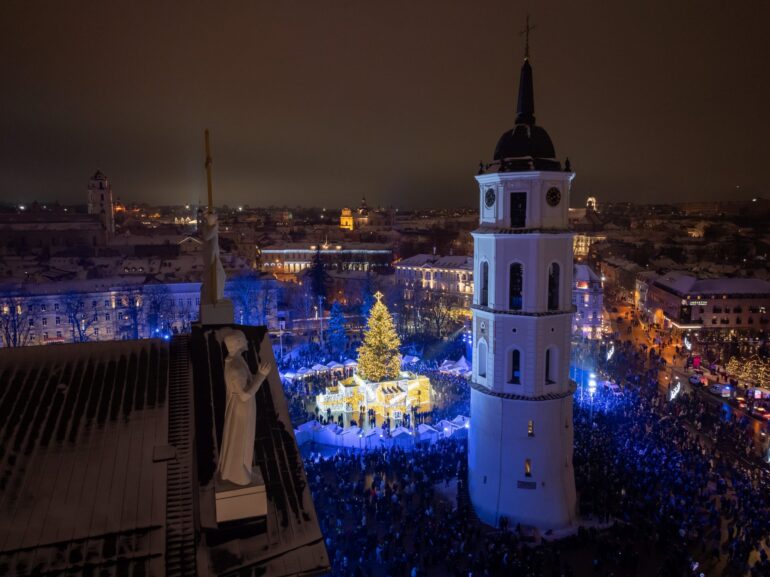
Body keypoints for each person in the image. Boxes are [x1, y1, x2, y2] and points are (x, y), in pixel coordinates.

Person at [218, 330, 272, 486]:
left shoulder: (236, 360)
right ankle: (238, 472)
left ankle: (241, 467)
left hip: (241, 407)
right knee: (241, 438)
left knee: (242, 437)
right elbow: (244, 395)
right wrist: (261, 376)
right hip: (241, 408)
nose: (247, 342)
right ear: (238, 344)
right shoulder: (236, 368)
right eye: (243, 340)